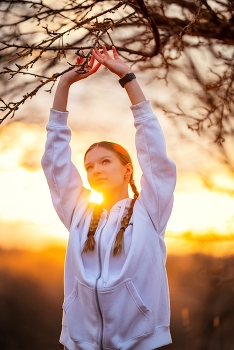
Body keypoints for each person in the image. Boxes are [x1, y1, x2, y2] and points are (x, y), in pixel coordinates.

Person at [41, 45, 176, 350]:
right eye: (89, 165)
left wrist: (127, 78)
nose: (95, 170)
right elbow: (55, 162)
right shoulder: (78, 212)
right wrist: (64, 84)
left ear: (128, 170)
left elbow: (154, 153)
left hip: (142, 344)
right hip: (79, 344)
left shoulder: (149, 211)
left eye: (105, 162)